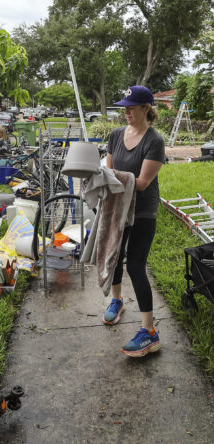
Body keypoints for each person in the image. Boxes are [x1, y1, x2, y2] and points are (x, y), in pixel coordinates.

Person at [102, 85, 165, 357]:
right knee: (114, 256)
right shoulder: (116, 135)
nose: (125, 111)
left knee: (136, 266)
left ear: (146, 108)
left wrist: (108, 175)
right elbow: (108, 169)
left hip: (142, 211)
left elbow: (140, 183)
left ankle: (149, 332)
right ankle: (117, 301)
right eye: (124, 107)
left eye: (131, 106)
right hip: (118, 206)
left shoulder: (154, 141)